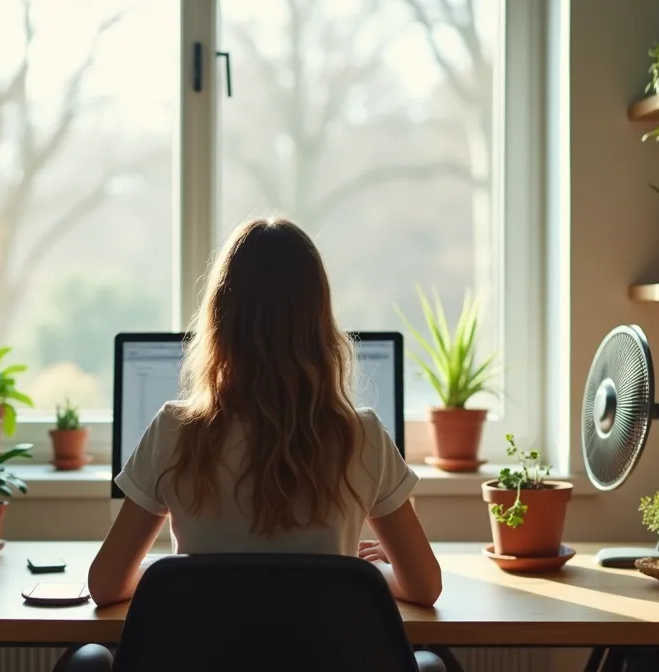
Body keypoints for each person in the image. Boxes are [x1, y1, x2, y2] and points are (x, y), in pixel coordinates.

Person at [58, 218, 447, 671]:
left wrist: (182, 580)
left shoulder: (174, 429)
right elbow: (424, 587)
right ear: (319, 322)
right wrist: (368, 575)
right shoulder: (361, 436)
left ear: (220, 321)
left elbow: (106, 586)